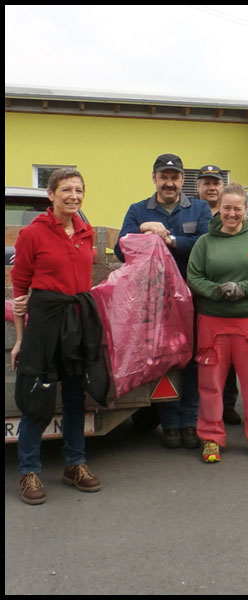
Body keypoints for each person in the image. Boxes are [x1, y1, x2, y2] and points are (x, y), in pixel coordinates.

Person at [11, 168, 106, 505]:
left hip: (77, 322)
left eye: (79, 190)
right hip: (44, 323)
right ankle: (29, 469)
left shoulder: (86, 231)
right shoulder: (32, 234)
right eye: (66, 189)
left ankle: (74, 464)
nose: (74, 196)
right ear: (50, 195)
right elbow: (20, 289)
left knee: (75, 396)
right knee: (38, 396)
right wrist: (21, 339)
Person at [115, 153, 212, 450]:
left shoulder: (199, 208)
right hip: (155, 304)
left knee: (193, 362)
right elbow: (122, 249)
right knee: (162, 362)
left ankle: (189, 422)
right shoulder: (137, 210)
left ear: (183, 180)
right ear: (154, 178)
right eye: (164, 176)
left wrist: (170, 242)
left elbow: (206, 245)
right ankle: (169, 424)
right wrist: (144, 231)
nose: (169, 182)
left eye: (174, 177)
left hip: (192, 298)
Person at [187, 183, 248, 463]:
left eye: (237, 208)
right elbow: (194, 276)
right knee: (211, 382)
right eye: (226, 208)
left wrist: (242, 289)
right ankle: (211, 437)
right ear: (219, 209)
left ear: (245, 209)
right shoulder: (205, 242)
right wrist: (217, 291)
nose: (231, 213)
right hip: (213, 322)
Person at [194, 164, 241, 426]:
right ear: (198, 187)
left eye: (216, 182)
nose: (211, 187)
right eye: (206, 183)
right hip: (204, 295)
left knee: (233, 359)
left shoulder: (234, 215)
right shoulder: (194, 212)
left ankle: (228, 405)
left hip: (236, 299)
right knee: (207, 357)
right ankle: (205, 409)